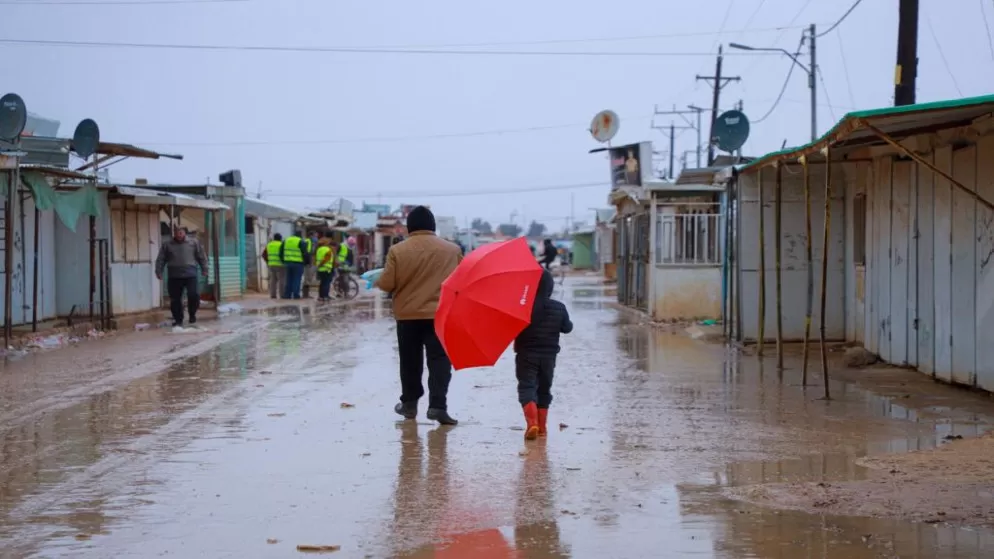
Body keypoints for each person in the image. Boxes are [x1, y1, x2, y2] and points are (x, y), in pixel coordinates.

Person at [376, 206, 462, 425]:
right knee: (440, 361)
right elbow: (461, 282)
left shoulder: (398, 250)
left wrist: (377, 277)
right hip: (440, 315)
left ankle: (409, 405)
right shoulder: (452, 250)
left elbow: (388, 283)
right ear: (433, 226)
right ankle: (437, 406)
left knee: (410, 361)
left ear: (409, 226)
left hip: (408, 315)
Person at [513, 269, 573, 440]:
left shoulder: (522, 307)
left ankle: (532, 423)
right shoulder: (559, 308)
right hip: (549, 357)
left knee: (527, 387)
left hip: (526, 355)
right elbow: (567, 328)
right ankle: (542, 428)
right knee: (544, 389)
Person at [155, 227, 208, 327]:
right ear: (174, 234)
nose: (179, 235)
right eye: (177, 233)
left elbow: (201, 256)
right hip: (174, 275)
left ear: (185, 233)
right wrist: (159, 271)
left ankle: (192, 314)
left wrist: (204, 269)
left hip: (190, 274)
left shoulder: (193, 243)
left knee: (194, 295)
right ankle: (178, 319)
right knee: (175, 299)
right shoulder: (167, 245)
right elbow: (161, 259)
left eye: (181, 232)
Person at [280, 230, 310, 299]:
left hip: (287, 263)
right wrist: (306, 262)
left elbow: (281, 252)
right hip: (298, 263)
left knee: (289, 279)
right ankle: (296, 295)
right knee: (297, 279)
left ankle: (287, 295)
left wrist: (283, 261)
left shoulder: (286, 241)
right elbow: (305, 253)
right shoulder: (301, 242)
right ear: (300, 236)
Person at [261, 233, 284, 299]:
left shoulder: (269, 244)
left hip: (271, 264)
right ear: (280, 238)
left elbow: (263, 254)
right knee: (281, 280)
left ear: (274, 238)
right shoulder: (281, 244)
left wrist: (268, 262)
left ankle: (273, 295)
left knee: (273, 280)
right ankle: (282, 295)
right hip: (280, 265)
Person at [314, 231, 336, 302]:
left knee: (322, 283)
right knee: (326, 283)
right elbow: (326, 259)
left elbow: (315, 257)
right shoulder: (328, 249)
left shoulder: (319, 249)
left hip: (320, 269)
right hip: (327, 268)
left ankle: (320, 296)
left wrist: (318, 265)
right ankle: (325, 296)